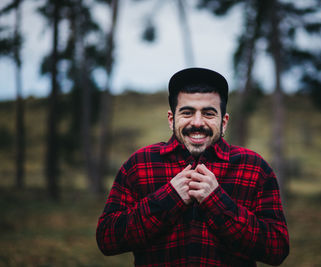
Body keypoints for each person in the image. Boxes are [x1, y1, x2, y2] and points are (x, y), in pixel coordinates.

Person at [96, 67, 289, 266]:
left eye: (208, 113)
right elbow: (107, 239)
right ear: (172, 120)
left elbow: (277, 249)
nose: (197, 122)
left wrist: (217, 201)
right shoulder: (140, 164)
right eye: (187, 112)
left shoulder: (255, 168)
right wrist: (169, 198)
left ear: (224, 122)